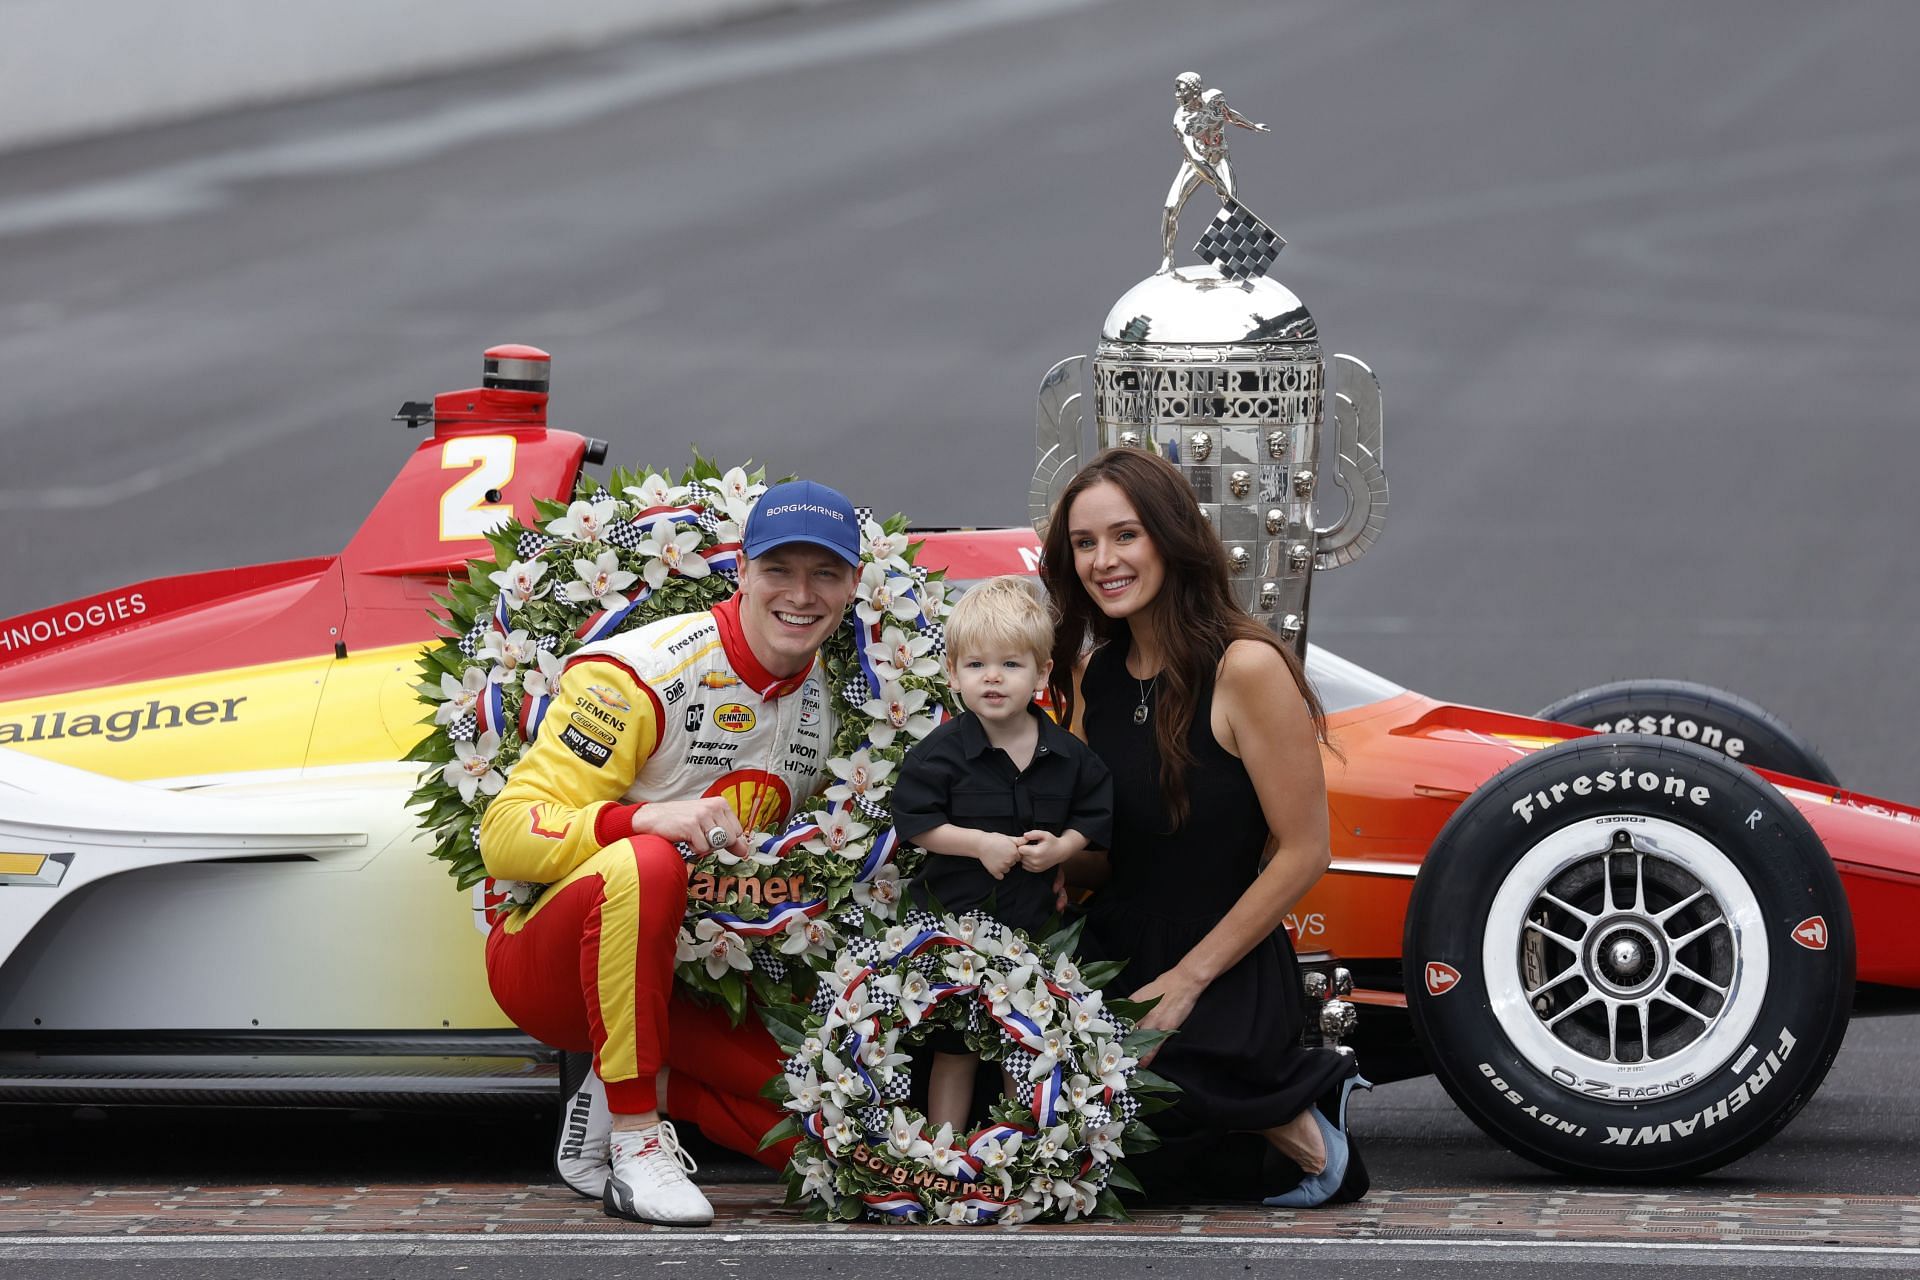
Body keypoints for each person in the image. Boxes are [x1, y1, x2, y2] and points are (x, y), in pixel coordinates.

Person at [478, 479, 862, 1226]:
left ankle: (641, 1084)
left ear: (852, 586)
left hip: (690, 978)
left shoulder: (834, 694)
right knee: (649, 864)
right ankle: (637, 1142)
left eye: (826, 573)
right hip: (548, 959)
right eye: (780, 569)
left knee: (822, 1125)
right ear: (742, 570)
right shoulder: (639, 674)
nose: (801, 594)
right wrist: (645, 819)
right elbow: (506, 834)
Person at [1038, 447, 1368, 1208]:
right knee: (1023, 1066)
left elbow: (1304, 852)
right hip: (1116, 942)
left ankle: (1305, 1128)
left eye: (1125, 536)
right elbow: (1105, 850)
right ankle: (1238, 1117)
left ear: (1171, 537)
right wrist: (1044, 861)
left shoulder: (1246, 666)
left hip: (1226, 960)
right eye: (1084, 544)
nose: (1103, 560)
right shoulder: (1095, 676)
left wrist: (1188, 981)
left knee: (1143, 1063)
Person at [888, 576, 1113, 1131]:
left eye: (1011, 665)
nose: (992, 678)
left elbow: (1096, 812)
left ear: (1041, 674)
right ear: (952, 674)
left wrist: (1062, 848)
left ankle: (1022, 1150)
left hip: (1032, 933)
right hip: (953, 928)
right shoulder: (938, 754)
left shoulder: (1068, 755)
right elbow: (915, 823)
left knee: (1024, 1041)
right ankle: (944, 1151)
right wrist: (978, 844)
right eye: (976, 665)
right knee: (955, 1046)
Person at [1160, 71, 1271, 273]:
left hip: (1219, 157)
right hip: (1196, 164)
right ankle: (1168, 259)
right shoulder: (1182, 120)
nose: (1176, 94)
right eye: (1175, 88)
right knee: (1170, 208)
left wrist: (1252, 126)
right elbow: (1194, 156)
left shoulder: (1215, 100)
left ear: (1195, 91)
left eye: (1181, 88)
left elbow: (1230, 115)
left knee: (1232, 206)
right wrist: (1216, 181)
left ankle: (1237, 259)